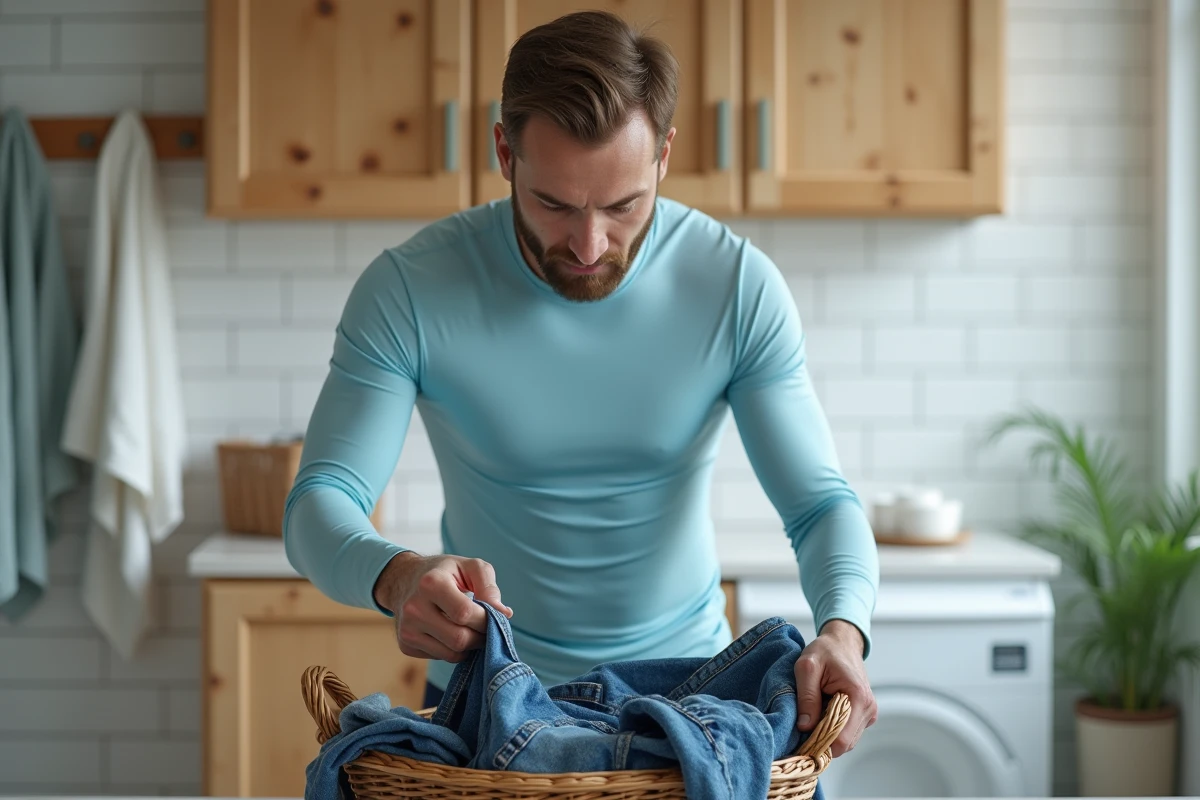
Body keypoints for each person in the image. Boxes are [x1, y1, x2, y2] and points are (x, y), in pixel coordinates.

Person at [283, 8, 880, 769]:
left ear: (664, 155)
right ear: (505, 153)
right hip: (489, 703)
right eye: (555, 204)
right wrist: (397, 578)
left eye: (624, 205)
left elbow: (820, 504)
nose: (590, 245)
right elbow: (319, 502)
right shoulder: (409, 290)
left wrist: (843, 632)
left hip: (691, 702)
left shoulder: (736, 286)